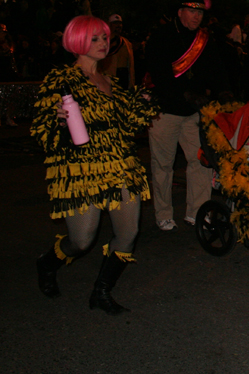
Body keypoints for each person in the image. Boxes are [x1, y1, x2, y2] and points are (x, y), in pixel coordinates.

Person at [31, 15, 159, 314]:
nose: (103, 43)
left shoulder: (111, 82)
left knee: (128, 233)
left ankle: (101, 292)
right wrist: (57, 121)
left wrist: (142, 104)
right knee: (81, 240)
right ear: (77, 43)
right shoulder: (61, 81)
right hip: (82, 172)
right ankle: (47, 263)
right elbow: (41, 130)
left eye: (104, 37)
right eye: (95, 39)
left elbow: (125, 128)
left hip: (121, 167)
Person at [145, 0, 231, 231]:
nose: (197, 17)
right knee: (163, 165)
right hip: (166, 111)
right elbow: (159, 74)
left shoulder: (205, 39)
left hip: (194, 113)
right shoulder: (161, 36)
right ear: (180, 12)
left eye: (200, 12)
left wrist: (223, 91)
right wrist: (184, 93)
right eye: (192, 11)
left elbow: (217, 68)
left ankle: (198, 212)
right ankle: (163, 213)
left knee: (201, 162)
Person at [98, 14, 136, 89]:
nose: (118, 25)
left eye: (120, 23)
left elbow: (131, 65)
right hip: (109, 77)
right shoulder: (104, 42)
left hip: (123, 78)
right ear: (109, 25)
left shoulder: (126, 43)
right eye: (115, 23)